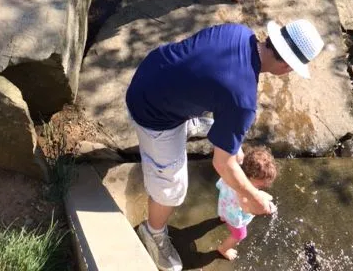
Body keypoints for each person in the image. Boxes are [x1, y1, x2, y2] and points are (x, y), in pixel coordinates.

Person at [126, 19, 324, 271]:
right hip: (151, 112)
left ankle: (194, 123)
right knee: (173, 189)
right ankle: (152, 232)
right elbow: (222, 163)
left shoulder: (237, 32)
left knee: (224, 128)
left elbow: (206, 73)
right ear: (287, 66)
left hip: (151, 72)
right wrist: (253, 196)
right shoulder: (243, 102)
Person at [216, 145, 278, 260]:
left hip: (226, 200)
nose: (262, 188)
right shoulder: (243, 193)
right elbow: (248, 208)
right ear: (249, 179)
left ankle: (223, 217)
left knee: (224, 212)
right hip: (234, 213)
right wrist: (265, 204)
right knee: (239, 235)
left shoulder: (236, 170)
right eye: (259, 186)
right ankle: (223, 249)